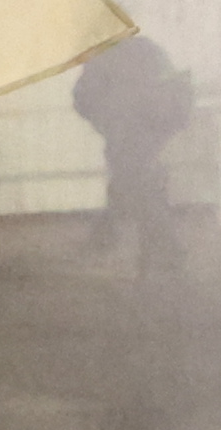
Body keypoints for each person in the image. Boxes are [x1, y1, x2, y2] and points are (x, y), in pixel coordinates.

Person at [73, 32, 193, 276]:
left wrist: (104, 121)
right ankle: (111, 239)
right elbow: (174, 88)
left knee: (140, 189)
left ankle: (166, 250)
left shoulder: (102, 55)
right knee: (135, 183)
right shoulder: (149, 48)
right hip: (153, 129)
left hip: (125, 130)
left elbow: (83, 97)